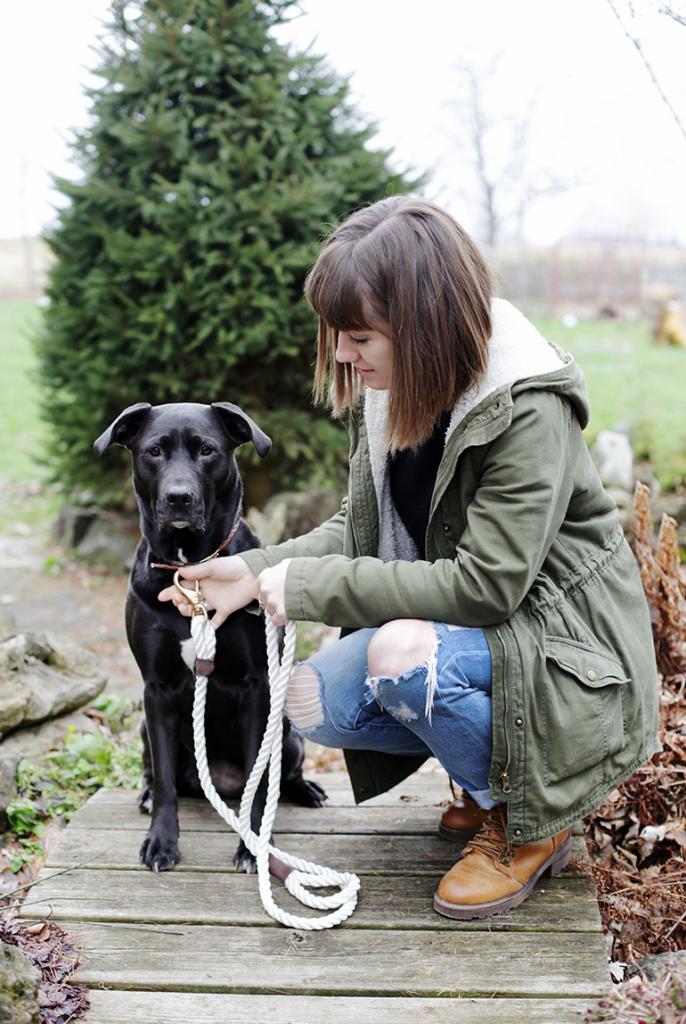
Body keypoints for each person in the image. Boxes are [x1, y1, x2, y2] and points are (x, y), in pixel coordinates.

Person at [158, 196, 660, 920]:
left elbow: (487, 587)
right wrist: (254, 571)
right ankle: (484, 779)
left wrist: (306, 587)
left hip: (569, 650)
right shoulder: (393, 394)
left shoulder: (524, 408)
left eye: (358, 335)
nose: (340, 354)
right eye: (337, 333)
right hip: (494, 641)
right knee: (312, 699)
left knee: (400, 656)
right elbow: (355, 529)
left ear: (422, 325)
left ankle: (529, 825)